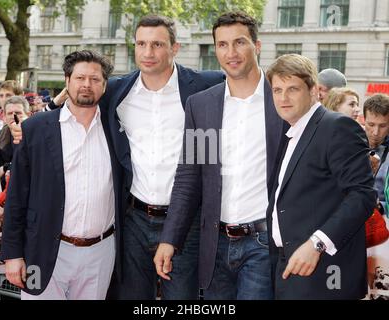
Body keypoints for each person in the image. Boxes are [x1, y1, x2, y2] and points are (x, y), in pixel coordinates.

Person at [154, 11, 286, 300]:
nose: (231, 53)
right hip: (215, 245)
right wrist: (169, 239)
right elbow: (189, 179)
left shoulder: (281, 101)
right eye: (222, 44)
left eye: (239, 42)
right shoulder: (203, 106)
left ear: (257, 46)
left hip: (264, 245)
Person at [100, 14, 224, 300]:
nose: (147, 53)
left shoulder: (206, 86)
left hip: (186, 220)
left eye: (157, 44)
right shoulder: (118, 91)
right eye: (141, 44)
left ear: (175, 48)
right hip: (134, 218)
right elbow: (81, 97)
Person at [0, 50, 124, 300]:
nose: (86, 85)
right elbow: (17, 196)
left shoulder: (117, 130)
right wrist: (13, 254)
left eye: (95, 79)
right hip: (40, 251)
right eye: (79, 78)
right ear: (67, 81)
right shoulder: (35, 128)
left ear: (104, 85)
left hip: (100, 254)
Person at [265, 53, 376, 299]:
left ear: (314, 90)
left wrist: (317, 243)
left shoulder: (336, 127)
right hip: (289, 268)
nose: (283, 98)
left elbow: (362, 195)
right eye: (277, 89)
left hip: (325, 272)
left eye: (292, 89)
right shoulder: (293, 130)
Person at [363, 94, 389, 215]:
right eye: (371, 124)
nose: (375, 132)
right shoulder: (349, 142)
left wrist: (381, 207)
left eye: (383, 126)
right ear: (364, 120)